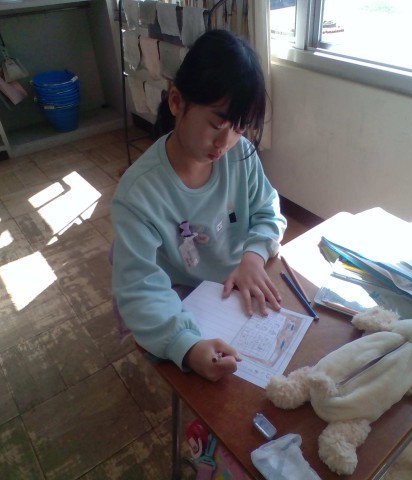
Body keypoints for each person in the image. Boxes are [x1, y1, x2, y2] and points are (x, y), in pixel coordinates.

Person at [111, 29, 287, 382]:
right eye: (216, 124)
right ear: (177, 102)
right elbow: (140, 288)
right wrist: (187, 346)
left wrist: (253, 257)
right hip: (181, 293)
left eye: (239, 128)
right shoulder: (138, 193)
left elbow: (267, 210)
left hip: (234, 284)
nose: (225, 142)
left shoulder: (239, 155)